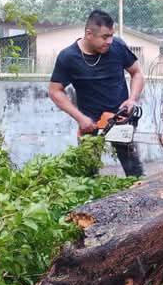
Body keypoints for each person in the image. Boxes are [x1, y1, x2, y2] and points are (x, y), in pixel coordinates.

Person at [49, 9, 146, 176]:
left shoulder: (118, 46)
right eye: (104, 37)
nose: (109, 41)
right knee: (88, 175)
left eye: (111, 35)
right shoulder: (68, 57)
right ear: (89, 34)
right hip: (89, 124)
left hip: (119, 118)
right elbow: (55, 91)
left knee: (134, 172)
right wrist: (80, 118)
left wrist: (132, 99)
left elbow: (137, 73)